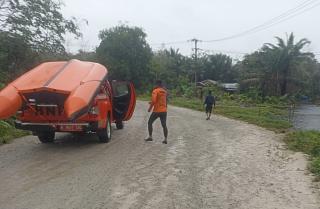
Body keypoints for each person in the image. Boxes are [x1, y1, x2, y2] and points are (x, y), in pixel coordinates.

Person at [145, 80, 168, 144]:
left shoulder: (155, 91)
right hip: (164, 111)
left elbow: (154, 100)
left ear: (157, 84)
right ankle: (165, 139)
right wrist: (165, 108)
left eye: (155, 84)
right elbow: (165, 101)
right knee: (164, 125)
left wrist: (149, 108)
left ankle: (150, 137)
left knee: (150, 122)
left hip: (157, 111)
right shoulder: (164, 91)